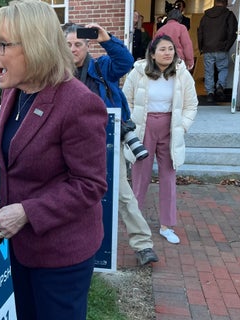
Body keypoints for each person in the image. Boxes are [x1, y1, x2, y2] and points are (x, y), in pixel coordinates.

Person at [0, 1, 107, 318]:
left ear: (35, 46)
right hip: (24, 246)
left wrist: (27, 212)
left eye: (1, 45)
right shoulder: (14, 90)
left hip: (61, 255)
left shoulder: (79, 103)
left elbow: (90, 185)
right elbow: (20, 150)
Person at [62, 22, 158, 266]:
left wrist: (106, 39)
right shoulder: (56, 73)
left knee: (123, 194)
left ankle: (143, 244)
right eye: (68, 44)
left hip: (106, 142)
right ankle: (76, 246)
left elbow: (125, 62)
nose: (73, 49)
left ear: (87, 45)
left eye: (78, 44)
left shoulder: (101, 67)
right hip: (69, 146)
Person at [122, 35, 198, 245]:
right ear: (153, 54)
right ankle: (135, 224)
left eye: (171, 49)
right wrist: (131, 125)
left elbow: (191, 105)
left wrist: (182, 126)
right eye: (163, 49)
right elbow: (125, 99)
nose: (168, 53)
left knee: (168, 176)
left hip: (170, 129)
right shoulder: (138, 72)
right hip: (143, 128)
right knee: (140, 177)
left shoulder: (182, 74)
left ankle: (167, 225)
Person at [197, 0, 238, 103]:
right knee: (223, 69)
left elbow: (200, 32)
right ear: (225, 3)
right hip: (221, 48)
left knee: (209, 72)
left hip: (207, 48)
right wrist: (227, 46)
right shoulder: (229, 15)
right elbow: (232, 31)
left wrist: (201, 47)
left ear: (214, 3)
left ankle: (210, 93)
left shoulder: (206, 16)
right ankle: (220, 86)